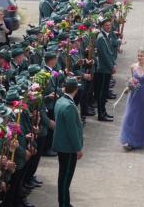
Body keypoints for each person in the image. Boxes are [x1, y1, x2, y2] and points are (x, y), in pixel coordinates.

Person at [53, 77, 83, 207]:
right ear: (75, 90)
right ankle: (64, 203)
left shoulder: (60, 101)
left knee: (63, 176)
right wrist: (78, 148)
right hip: (68, 147)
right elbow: (72, 130)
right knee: (65, 179)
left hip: (61, 145)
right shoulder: (69, 106)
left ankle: (65, 202)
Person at [94, 18, 116, 121]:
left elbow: (110, 52)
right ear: (102, 26)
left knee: (104, 93)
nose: (109, 27)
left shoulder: (105, 36)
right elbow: (104, 55)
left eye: (109, 25)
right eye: (106, 25)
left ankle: (104, 112)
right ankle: (101, 114)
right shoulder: (101, 38)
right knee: (101, 93)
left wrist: (113, 64)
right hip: (103, 69)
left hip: (106, 68)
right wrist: (111, 66)